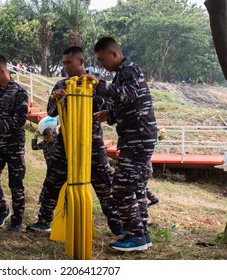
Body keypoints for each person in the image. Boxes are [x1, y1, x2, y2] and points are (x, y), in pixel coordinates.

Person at [26, 46, 124, 236]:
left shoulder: (96, 83)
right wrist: (57, 99)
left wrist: (92, 90)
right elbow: (51, 112)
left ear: (81, 62)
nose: (65, 67)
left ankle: (117, 225)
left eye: (68, 63)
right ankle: (44, 220)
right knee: (54, 179)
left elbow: (107, 108)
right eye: (63, 63)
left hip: (91, 140)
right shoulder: (61, 84)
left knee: (103, 183)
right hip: (66, 139)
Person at [92, 37, 157, 251]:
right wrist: (108, 114)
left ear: (113, 54)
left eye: (102, 60)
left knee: (120, 188)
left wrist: (99, 84)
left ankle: (135, 235)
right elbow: (129, 103)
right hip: (138, 135)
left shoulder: (128, 69)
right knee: (136, 188)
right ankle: (142, 235)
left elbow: (126, 95)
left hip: (137, 138)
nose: (102, 65)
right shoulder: (123, 72)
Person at [0, 55, 29, 232]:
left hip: (14, 144)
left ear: (2, 71)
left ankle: (17, 219)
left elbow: (20, 121)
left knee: (15, 183)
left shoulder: (19, 92)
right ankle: (2, 210)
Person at [32, 127, 57, 204]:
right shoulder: (44, 143)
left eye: (47, 138)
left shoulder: (57, 141)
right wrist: (35, 137)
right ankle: (41, 201)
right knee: (47, 184)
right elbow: (34, 147)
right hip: (50, 168)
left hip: (58, 168)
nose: (46, 140)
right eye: (44, 138)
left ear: (51, 135)